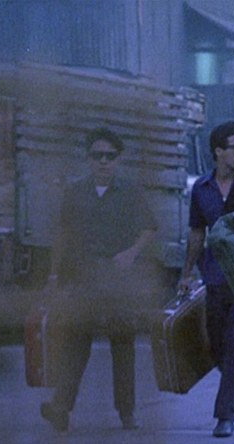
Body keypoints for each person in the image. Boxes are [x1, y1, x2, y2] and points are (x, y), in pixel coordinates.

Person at [40, 128, 157, 431]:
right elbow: (62, 235)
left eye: (110, 156)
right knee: (75, 343)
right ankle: (61, 408)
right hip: (85, 278)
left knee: (123, 345)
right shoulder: (75, 192)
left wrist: (131, 254)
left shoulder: (130, 193)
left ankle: (127, 412)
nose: (103, 161)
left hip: (119, 279)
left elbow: (149, 228)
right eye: (97, 155)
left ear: (118, 159)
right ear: (89, 159)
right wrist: (54, 275)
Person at [178, 121, 234, 438]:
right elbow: (197, 233)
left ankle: (225, 416)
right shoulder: (202, 189)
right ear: (219, 151)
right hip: (215, 277)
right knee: (216, 346)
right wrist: (187, 273)